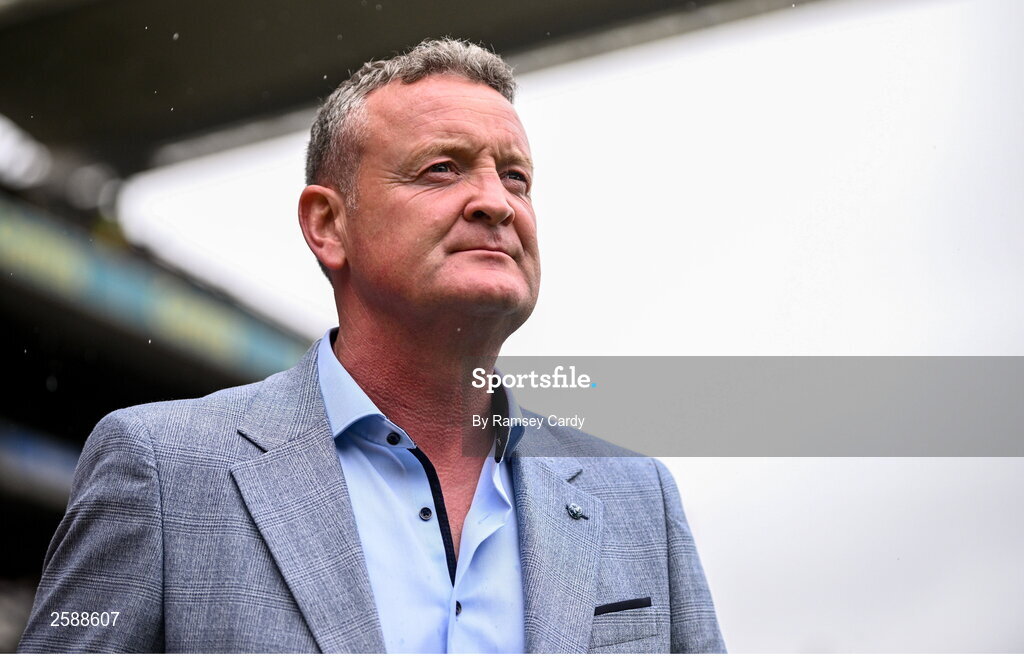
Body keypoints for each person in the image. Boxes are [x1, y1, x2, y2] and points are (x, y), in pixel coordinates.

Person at [18, 39, 724, 653]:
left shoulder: (638, 499)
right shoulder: (165, 473)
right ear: (328, 224)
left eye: (516, 177)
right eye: (443, 168)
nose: (496, 202)